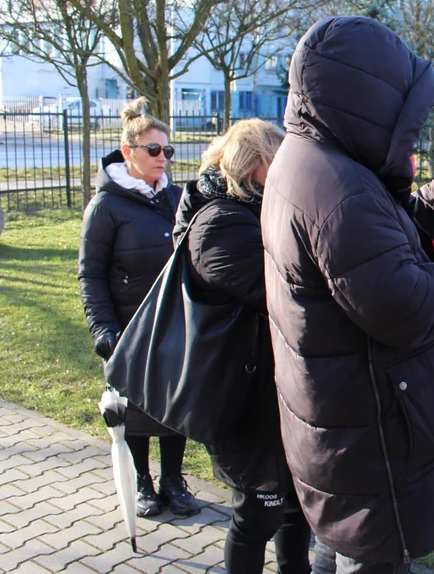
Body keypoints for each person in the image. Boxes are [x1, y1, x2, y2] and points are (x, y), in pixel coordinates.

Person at [261, 16, 434, 573]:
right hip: (371, 444)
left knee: (339, 543)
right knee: (364, 555)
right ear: (370, 103)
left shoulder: (315, 163)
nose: (414, 129)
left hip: (343, 432)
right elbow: (412, 308)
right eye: (408, 113)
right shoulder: (338, 189)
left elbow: (370, 260)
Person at [172, 119, 311, 574]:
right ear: (254, 165)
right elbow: (278, 292)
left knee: (295, 509)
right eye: (280, 162)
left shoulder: (257, 211)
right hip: (244, 399)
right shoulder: (218, 224)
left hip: (277, 393)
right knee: (257, 515)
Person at [77, 97, 199, 518]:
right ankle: (143, 483)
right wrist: (103, 330)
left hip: (174, 323)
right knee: (135, 409)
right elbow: (90, 276)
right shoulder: (106, 206)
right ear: (128, 151)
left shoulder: (177, 198)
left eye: (168, 150)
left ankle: (173, 480)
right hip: (129, 327)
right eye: (153, 150)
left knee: (173, 405)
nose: (163, 158)